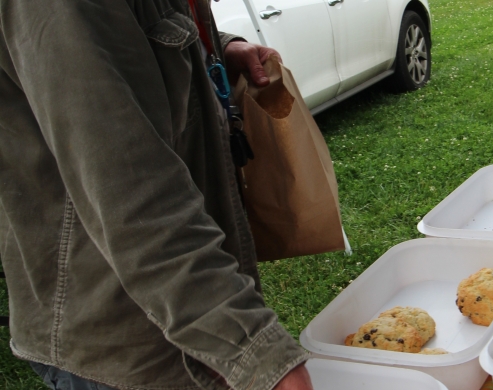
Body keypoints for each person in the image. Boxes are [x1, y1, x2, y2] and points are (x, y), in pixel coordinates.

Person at [0, 0, 313, 389]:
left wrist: (213, 49)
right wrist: (255, 353)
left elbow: (136, 34)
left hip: (181, 314)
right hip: (126, 340)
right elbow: (129, 191)